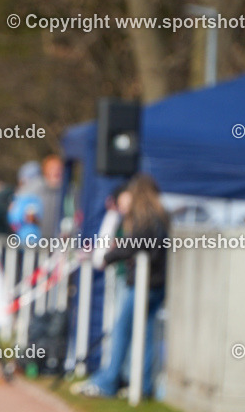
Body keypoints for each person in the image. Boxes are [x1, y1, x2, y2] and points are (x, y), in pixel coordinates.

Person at [72, 174, 168, 399]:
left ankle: (108, 382)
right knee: (145, 335)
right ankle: (141, 386)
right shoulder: (161, 218)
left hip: (145, 285)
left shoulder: (147, 219)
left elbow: (134, 245)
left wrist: (108, 257)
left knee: (121, 331)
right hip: (156, 285)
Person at [39, 154, 64, 239]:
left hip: (59, 241)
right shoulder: (35, 189)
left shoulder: (70, 192)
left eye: (59, 168)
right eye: (53, 168)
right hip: (36, 241)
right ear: (45, 170)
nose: (57, 171)